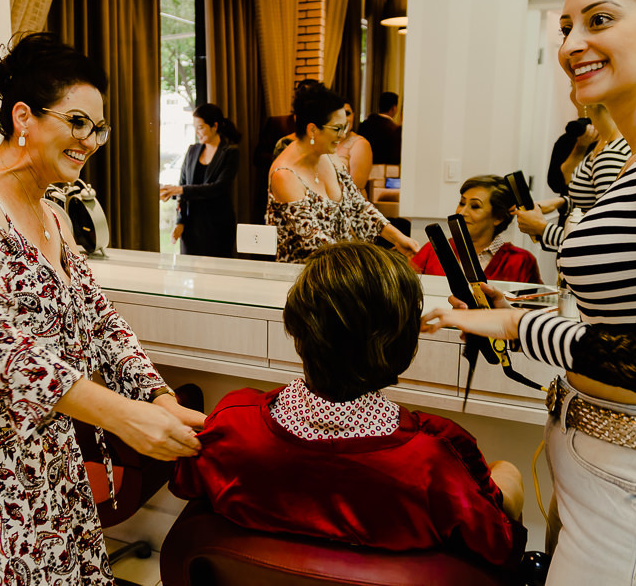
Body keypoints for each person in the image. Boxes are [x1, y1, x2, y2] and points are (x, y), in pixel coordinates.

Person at [422, 0, 636, 585]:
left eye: (600, 20)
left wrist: (515, 328)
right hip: (605, 470)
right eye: (565, 28)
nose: (570, 45)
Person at [0, 32, 206, 586]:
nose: (91, 140)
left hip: (37, 440)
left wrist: (158, 396)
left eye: (98, 128)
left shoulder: (51, 212)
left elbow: (99, 322)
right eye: (77, 122)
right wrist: (125, 417)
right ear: (23, 115)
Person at [170, 242, 527, 567]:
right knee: (507, 471)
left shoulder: (235, 422)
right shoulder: (436, 458)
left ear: (296, 329)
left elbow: (187, 483)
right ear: (404, 345)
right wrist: (507, 479)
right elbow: (499, 542)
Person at [265, 82, 418, 263]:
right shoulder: (284, 174)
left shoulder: (330, 157)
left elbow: (358, 207)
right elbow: (315, 242)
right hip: (305, 278)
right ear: (313, 129)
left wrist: (398, 238)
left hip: (341, 269)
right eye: (337, 129)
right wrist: (372, 259)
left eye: (345, 127)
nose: (343, 135)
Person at [513, 103, 630, 251]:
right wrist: (562, 203)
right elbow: (593, 204)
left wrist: (541, 228)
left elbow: (604, 235)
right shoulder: (604, 144)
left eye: (575, 83)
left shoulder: (612, 155)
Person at [412, 175, 542, 284]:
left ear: (498, 217)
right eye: (462, 203)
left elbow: (533, 309)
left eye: (475, 206)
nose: (461, 213)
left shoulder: (521, 261)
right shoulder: (432, 250)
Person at [159, 103, 240, 257]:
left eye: (201, 127)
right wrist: (180, 221)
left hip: (217, 227)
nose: (196, 132)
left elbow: (218, 188)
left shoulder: (230, 153)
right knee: (191, 276)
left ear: (214, 126)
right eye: (195, 127)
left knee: (216, 276)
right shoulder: (192, 150)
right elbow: (183, 186)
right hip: (191, 227)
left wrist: (180, 190)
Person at [333, 99, 373, 196]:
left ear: (354, 115)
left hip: (351, 204)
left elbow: (356, 187)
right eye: (339, 114)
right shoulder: (326, 143)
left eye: (347, 113)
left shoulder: (360, 144)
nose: (344, 119)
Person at [358, 90, 402, 165]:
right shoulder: (395, 130)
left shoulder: (365, 124)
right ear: (394, 108)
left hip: (363, 165)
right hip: (386, 171)